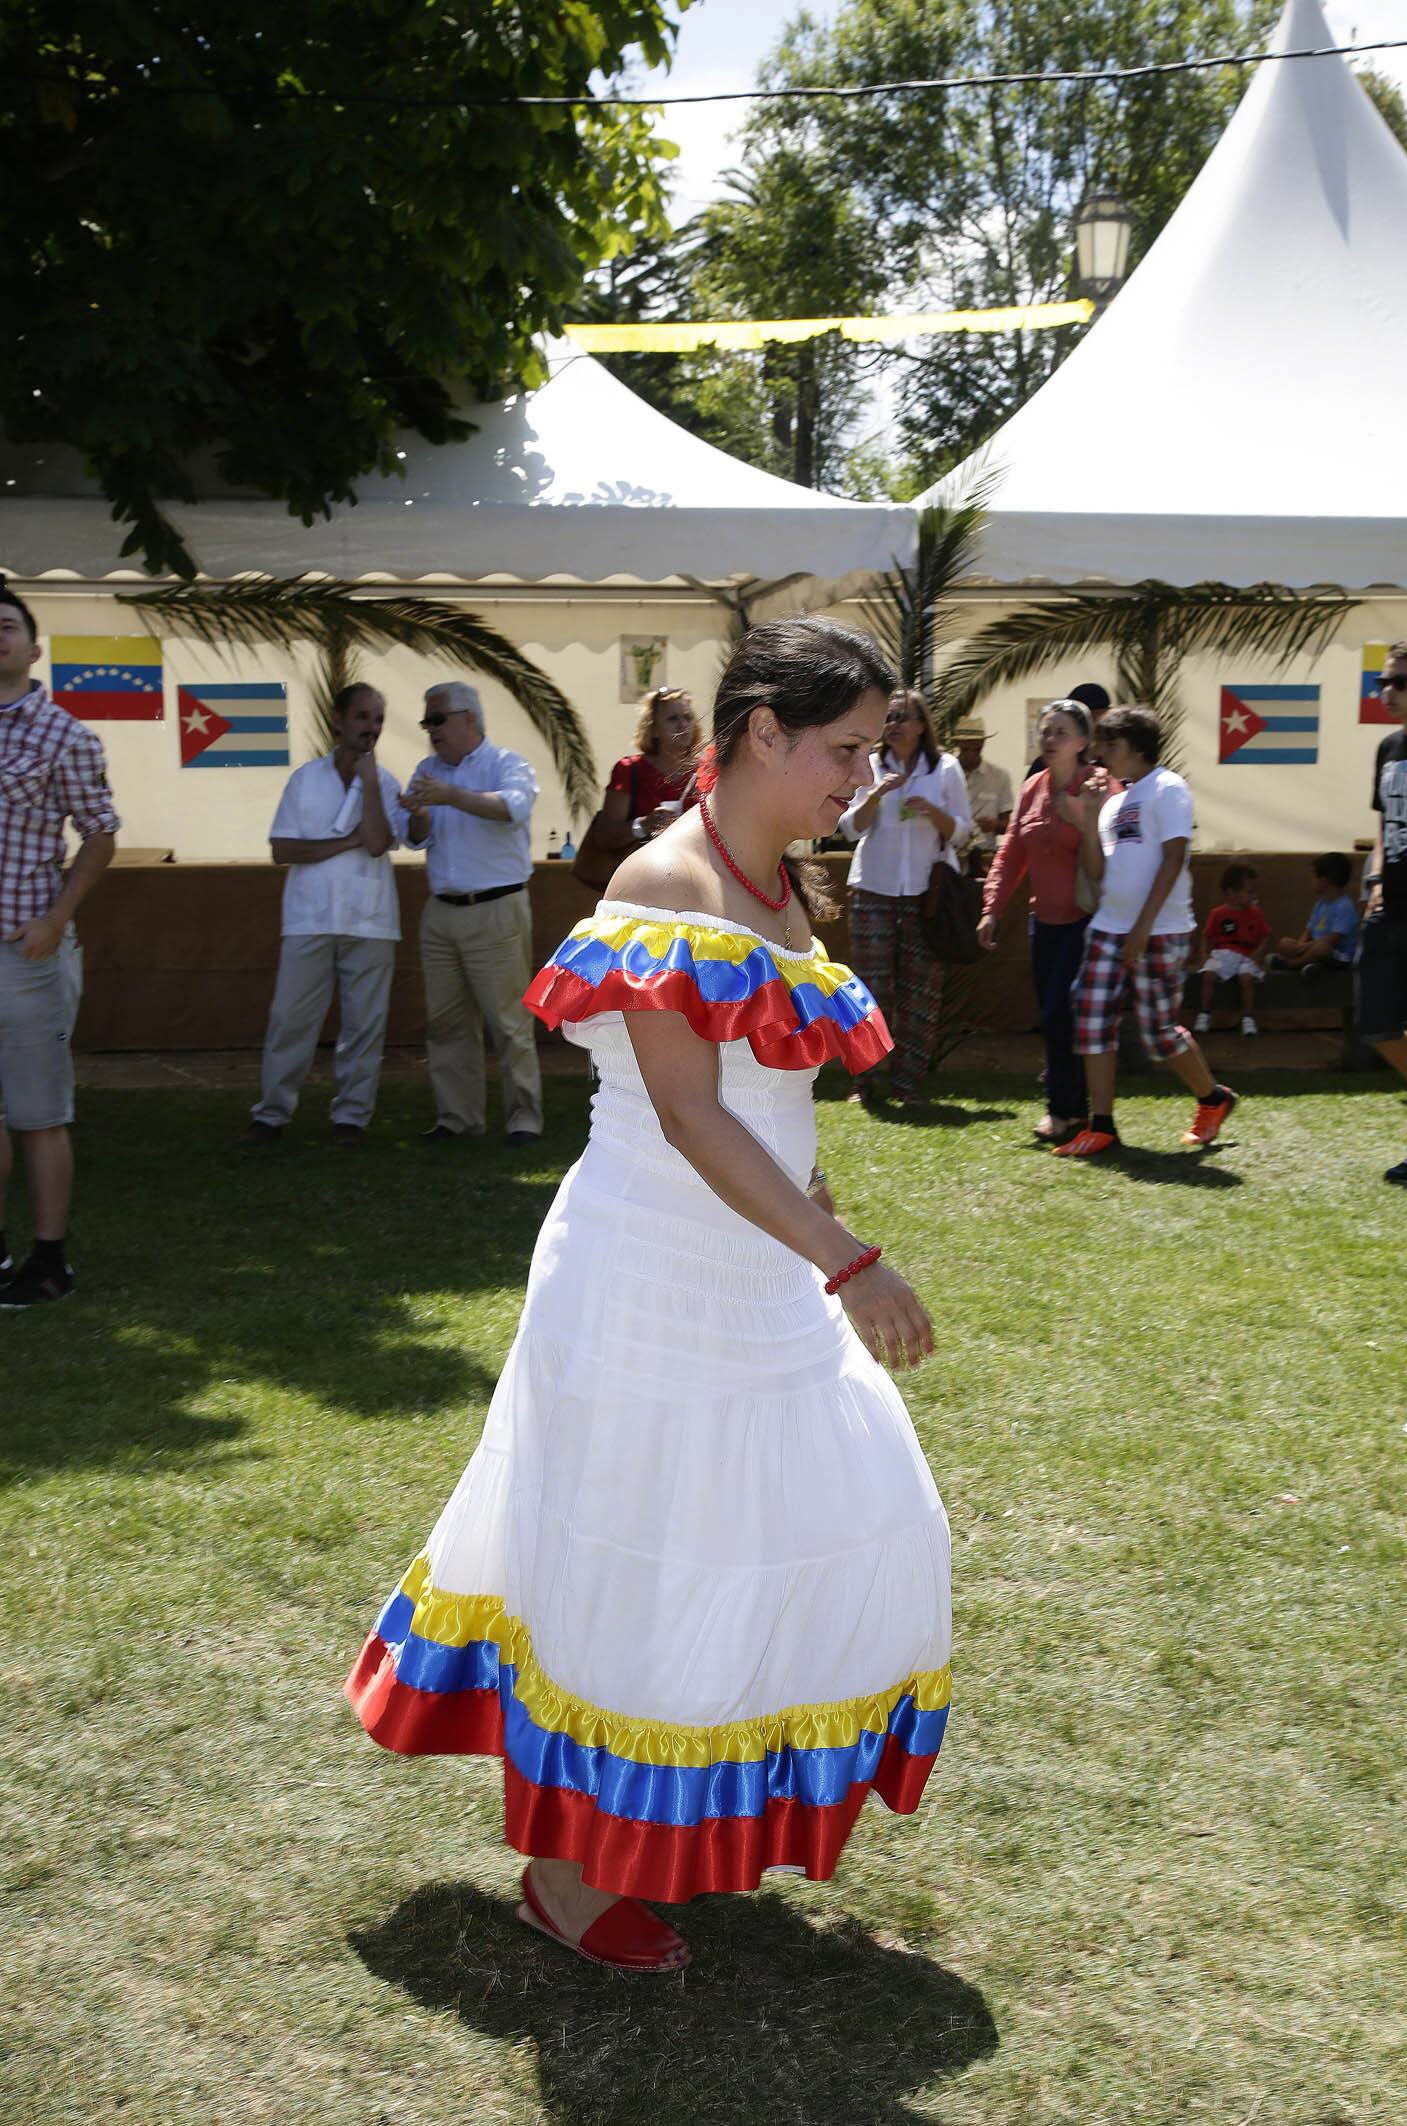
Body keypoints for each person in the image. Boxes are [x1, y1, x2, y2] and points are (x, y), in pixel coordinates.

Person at [345, 617, 952, 1974]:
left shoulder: (781, 885)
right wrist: (847, 1263)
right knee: (634, 1556)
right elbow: (688, 1118)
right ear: (760, 734)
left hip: (755, 1266)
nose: (862, 773)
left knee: (824, 1519)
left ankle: (675, 1822)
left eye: (870, 748)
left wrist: (826, 1218)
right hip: (647, 1277)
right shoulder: (664, 881)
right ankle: (563, 1879)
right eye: (844, 748)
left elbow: (770, 1099)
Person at [0, 585, 119, 1307]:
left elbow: (100, 835)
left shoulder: (65, 734)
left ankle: (49, 1263)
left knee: (39, 1114)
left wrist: (55, 919)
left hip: (27, 955)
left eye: (7, 626)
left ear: (34, 649)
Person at [1053, 705, 1236, 1158]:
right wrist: (1092, 816)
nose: (1100, 756)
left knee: (1158, 1033)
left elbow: (1175, 858)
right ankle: (1102, 1125)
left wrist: (1142, 927)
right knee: (1092, 1021)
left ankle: (1213, 1099)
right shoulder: (1114, 800)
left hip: (1158, 930)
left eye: (1109, 746)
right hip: (1108, 928)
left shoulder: (1168, 787)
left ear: (1136, 747)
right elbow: (1096, 873)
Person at [240, 684, 407, 1151]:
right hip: (308, 919)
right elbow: (283, 849)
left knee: (364, 1024)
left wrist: (370, 781)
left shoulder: (388, 782)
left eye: (377, 719)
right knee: (291, 1019)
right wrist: (344, 841)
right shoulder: (305, 779)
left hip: (370, 920)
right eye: (362, 718)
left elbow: (377, 841)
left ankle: (351, 1116)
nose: (370, 728)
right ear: (338, 721)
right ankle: (273, 1113)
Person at [403, 681, 543, 1148]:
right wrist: (419, 813)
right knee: (446, 1023)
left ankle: (523, 1118)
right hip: (442, 911)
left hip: (495, 908)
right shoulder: (427, 770)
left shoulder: (506, 764)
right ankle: (457, 1117)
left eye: (437, 720)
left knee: (507, 1022)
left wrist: (449, 795)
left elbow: (512, 808)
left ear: (470, 719)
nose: (430, 730)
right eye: (426, 721)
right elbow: (417, 838)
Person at [979, 699, 1115, 1141]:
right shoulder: (1032, 786)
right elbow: (1012, 853)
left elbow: (1118, 855)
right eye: (1044, 730)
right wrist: (992, 909)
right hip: (1045, 922)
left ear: (1082, 741)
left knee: (1064, 1012)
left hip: (1089, 920)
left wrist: (1085, 815)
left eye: (1060, 731)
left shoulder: (1100, 786)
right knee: (1055, 1014)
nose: (1049, 739)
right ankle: (1071, 1109)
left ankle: (1066, 1110)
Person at [839, 687, 969, 1102]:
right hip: (874, 887)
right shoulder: (869, 765)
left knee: (921, 991)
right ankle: (866, 1081)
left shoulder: (945, 768)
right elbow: (850, 827)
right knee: (870, 989)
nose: (893, 725)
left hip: (925, 893)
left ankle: (908, 1083)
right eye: (888, 718)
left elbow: (964, 832)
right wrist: (877, 794)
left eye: (902, 718)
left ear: (921, 726)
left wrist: (932, 811)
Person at [1352, 640, 1407, 1187]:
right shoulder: (1388, 748)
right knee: (1376, 1024)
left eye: (1400, 682)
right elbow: (1383, 823)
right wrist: (1373, 877)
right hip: (1389, 909)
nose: (1386, 692)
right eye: (1384, 682)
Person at [592, 686, 702, 855]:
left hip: (696, 871)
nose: (682, 725)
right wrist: (644, 824)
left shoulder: (706, 771)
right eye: (672, 719)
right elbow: (606, 837)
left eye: (688, 718)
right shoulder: (629, 771)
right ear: (654, 729)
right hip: (642, 872)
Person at [1194, 863, 1270, 1036]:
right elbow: (1206, 936)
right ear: (1231, 893)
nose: (1253, 896)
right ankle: (1204, 1013)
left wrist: (1258, 953)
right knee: (1209, 975)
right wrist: (1203, 954)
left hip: (1247, 956)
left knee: (1246, 978)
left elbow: (1266, 934)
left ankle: (1248, 1017)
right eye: (1249, 892)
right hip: (1223, 954)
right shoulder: (1218, 914)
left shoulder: (1255, 913)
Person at [1271, 852, 1360, 972]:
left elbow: (1332, 940)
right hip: (1312, 948)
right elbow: (1309, 931)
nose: (1311, 880)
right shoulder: (1321, 903)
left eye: (1313, 876)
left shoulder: (1345, 906)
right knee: (1284, 943)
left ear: (1324, 880)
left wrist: (1303, 947)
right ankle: (1308, 963)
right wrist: (1298, 947)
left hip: (1337, 955)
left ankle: (1293, 964)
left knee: (1321, 949)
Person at [951, 715, 1013, 872]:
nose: (971, 751)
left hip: (983, 858)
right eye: (966, 747)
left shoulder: (999, 777)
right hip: (949, 857)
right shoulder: (944, 774)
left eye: (976, 747)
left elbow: (1009, 826)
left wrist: (994, 825)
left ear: (983, 743)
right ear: (957, 743)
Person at [1026, 681, 1110, 777]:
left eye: (1061, 732)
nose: (1050, 739)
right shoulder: (1039, 769)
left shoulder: (1109, 766)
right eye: (1046, 732)